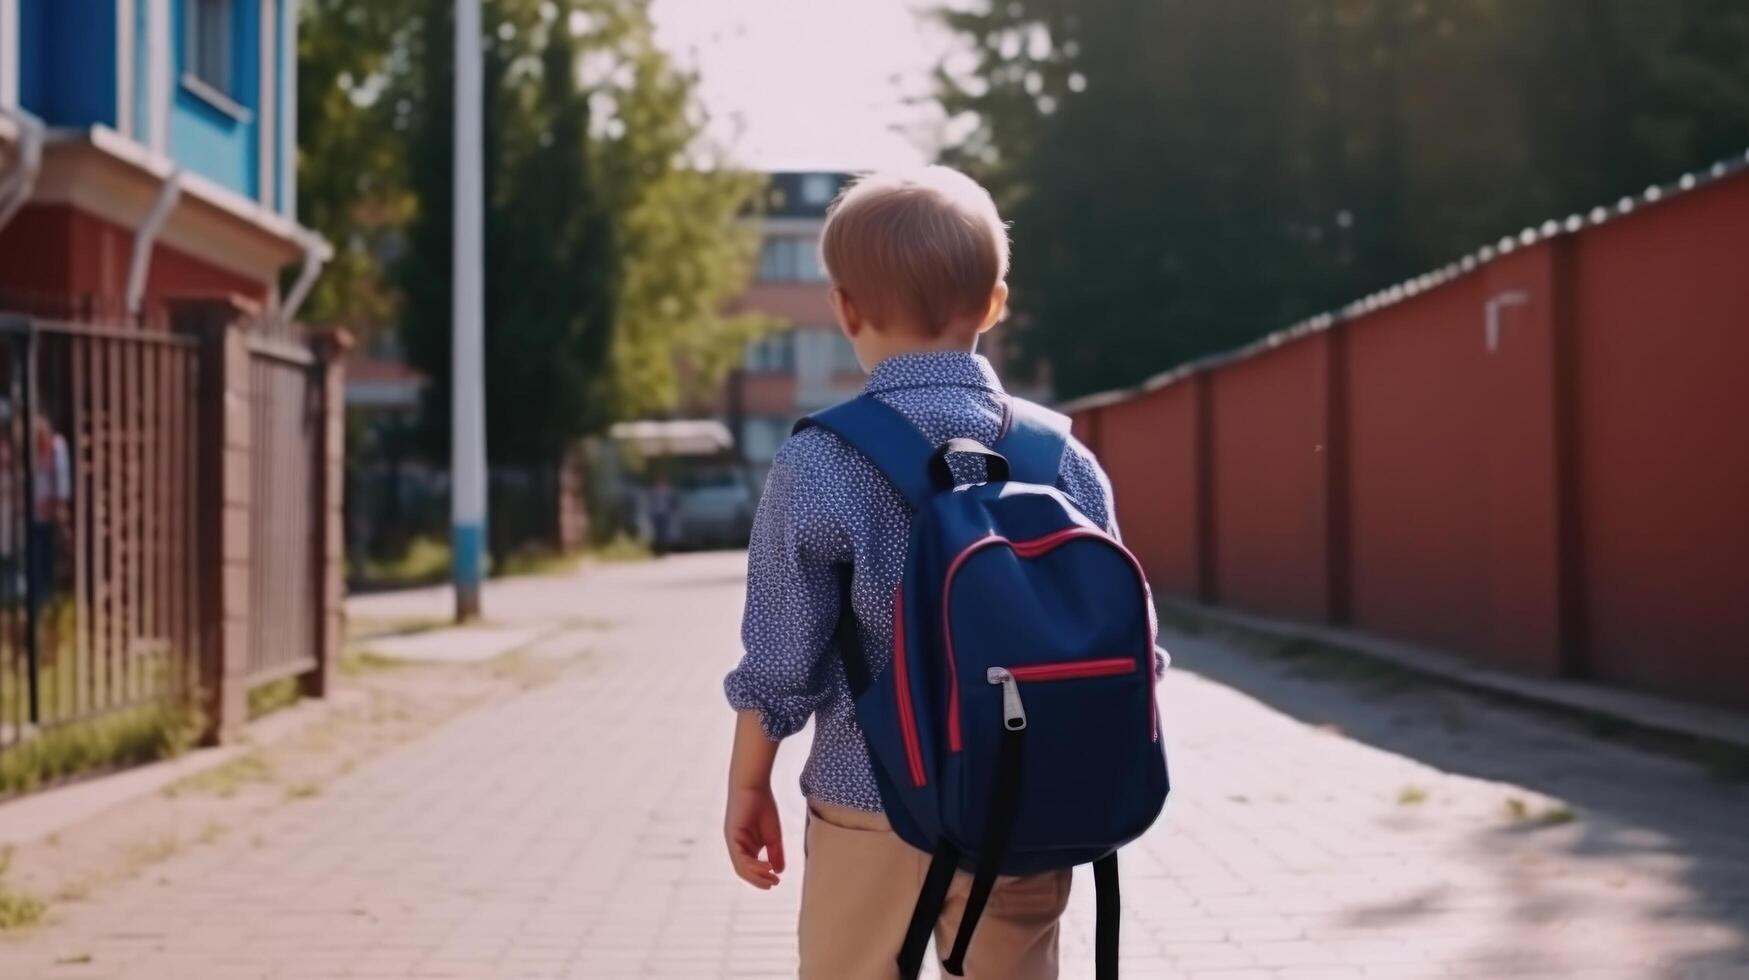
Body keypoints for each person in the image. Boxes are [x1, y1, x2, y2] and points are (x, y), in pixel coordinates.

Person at [722, 167, 1129, 978]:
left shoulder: (818, 462)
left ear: (843, 308)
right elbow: (1123, 645)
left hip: (868, 800)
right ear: (995, 303)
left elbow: (780, 660)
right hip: (1024, 808)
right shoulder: (1061, 460)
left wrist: (748, 787)